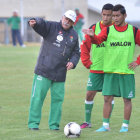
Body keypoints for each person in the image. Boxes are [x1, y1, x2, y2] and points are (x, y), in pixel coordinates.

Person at [82, 4, 140, 132]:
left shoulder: (134, 31)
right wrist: (92, 36)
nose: (115, 18)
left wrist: (137, 61)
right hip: (110, 71)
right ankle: (105, 126)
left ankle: (125, 126)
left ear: (125, 15)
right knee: (107, 98)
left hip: (126, 72)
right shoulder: (108, 30)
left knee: (127, 100)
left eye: (117, 16)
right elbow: (98, 41)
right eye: (113, 16)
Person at [28, 10, 80, 130]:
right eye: (66, 18)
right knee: (37, 98)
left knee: (57, 100)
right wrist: (35, 22)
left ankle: (54, 125)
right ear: (62, 17)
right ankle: (33, 124)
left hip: (60, 73)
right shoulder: (51, 26)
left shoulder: (74, 35)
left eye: (70, 20)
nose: (67, 21)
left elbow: (76, 53)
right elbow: (41, 24)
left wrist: (73, 62)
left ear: (73, 22)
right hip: (44, 70)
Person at [80, 3, 114, 129]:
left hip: (111, 69)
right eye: (104, 14)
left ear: (113, 15)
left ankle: (106, 123)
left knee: (108, 96)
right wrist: (87, 62)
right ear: (101, 14)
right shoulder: (93, 28)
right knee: (89, 94)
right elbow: (85, 46)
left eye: (109, 15)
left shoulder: (115, 29)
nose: (106, 18)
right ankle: (87, 122)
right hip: (96, 68)